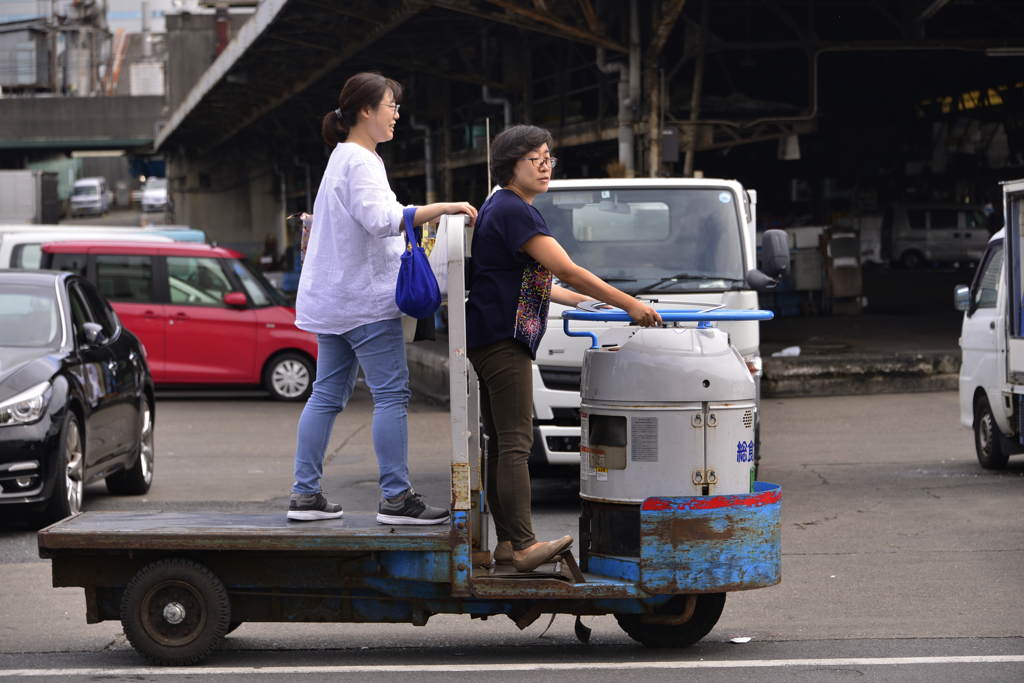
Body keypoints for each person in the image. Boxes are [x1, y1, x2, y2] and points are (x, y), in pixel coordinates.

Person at [466, 125, 662, 572]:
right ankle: (523, 546)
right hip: (504, 338)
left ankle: (505, 542)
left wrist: (579, 301)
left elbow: (527, 278)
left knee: (500, 443)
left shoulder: (500, 204)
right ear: (510, 165)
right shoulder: (516, 210)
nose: (545, 164)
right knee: (516, 443)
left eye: (548, 156)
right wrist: (630, 303)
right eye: (534, 158)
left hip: (488, 334)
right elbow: (568, 270)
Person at [288, 72, 477, 524]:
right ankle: (396, 499)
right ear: (366, 110)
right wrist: (442, 208)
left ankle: (305, 494)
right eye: (391, 105)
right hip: (364, 302)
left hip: (334, 301)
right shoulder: (361, 160)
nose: (396, 114)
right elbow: (381, 218)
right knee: (391, 394)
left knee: (327, 394)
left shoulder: (342, 157)